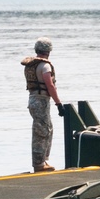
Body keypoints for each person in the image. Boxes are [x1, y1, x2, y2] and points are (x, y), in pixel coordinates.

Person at [22, 37, 63, 173]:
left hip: (34, 99)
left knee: (46, 129)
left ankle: (43, 160)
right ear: (48, 51)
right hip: (40, 101)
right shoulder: (45, 66)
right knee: (42, 131)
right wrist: (59, 104)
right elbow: (49, 85)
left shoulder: (33, 64)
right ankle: (39, 164)